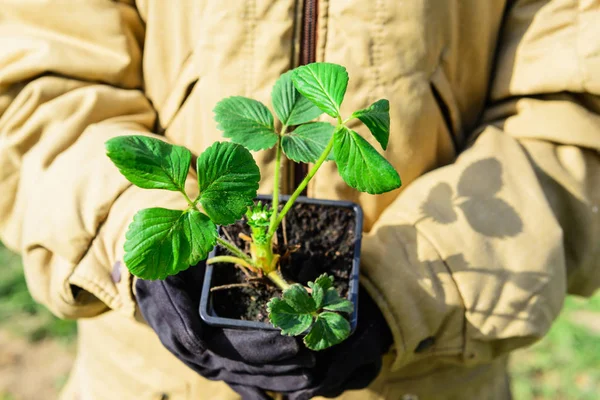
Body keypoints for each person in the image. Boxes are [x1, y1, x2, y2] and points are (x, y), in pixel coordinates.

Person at [1, 1, 599, 399]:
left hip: (428, 369)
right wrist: (122, 232)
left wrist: (410, 291)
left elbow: (578, 114)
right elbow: (32, 81)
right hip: (143, 379)